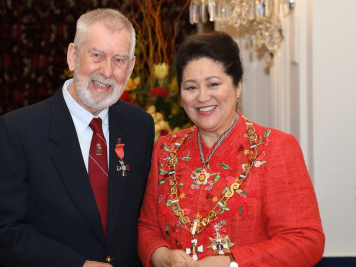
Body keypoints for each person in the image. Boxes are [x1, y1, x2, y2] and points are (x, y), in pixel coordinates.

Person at [0, 8, 154, 267]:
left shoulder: (140, 125)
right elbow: (0, 231)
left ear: (130, 68)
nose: (107, 71)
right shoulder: (18, 130)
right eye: (97, 55)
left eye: (119, 60)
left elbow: (144, 217)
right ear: (73, 56)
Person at [138, 31, 325, 267]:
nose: (202, 97)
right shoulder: (165, 150)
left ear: (237, 87)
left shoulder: (275, 148)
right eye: (191, 87)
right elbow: (147, 227)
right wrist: (160, 255)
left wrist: (231, 264)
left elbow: (305, 241)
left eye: (213, 84)